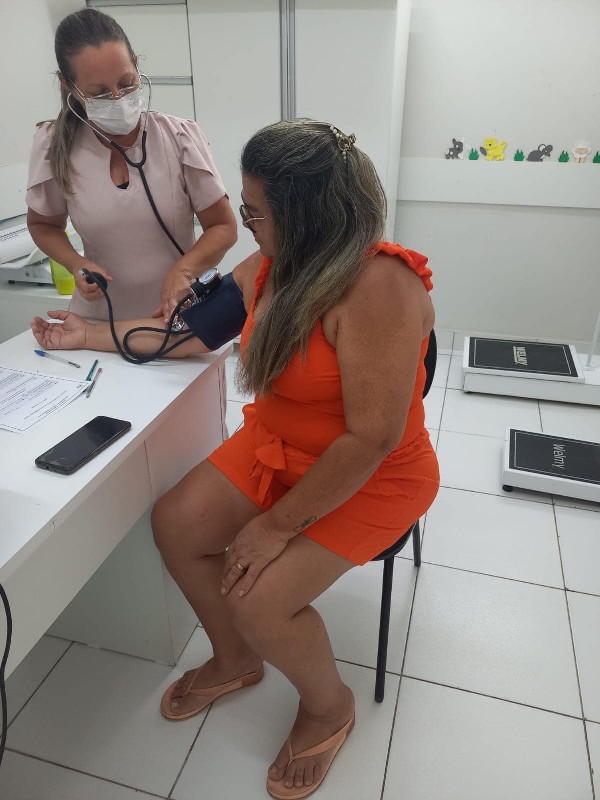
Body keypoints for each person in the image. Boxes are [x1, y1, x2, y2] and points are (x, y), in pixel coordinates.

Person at [31, 119, 440, 800]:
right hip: (278, 446)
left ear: (306, 214)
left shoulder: (380, 288)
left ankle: (328, 706)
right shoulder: (271, 267)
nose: (244, 224)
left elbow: (370, 439)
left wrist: (275, 528)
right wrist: (86, 335)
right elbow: (188, 335)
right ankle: (236, 659)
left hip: (369, 472)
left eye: (254, 211)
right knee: (176, 524)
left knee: (261, 599)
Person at [26, 8, 237, 323]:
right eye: (99, 92)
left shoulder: (179, 137)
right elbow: (43, 225)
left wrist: (184, 270)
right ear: (68, 85)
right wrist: (75, 263)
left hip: (181, 314)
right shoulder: (54, 145)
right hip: (99, 322)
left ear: (137, 64)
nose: (117, 98)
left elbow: (223, 227)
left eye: (126, 83)